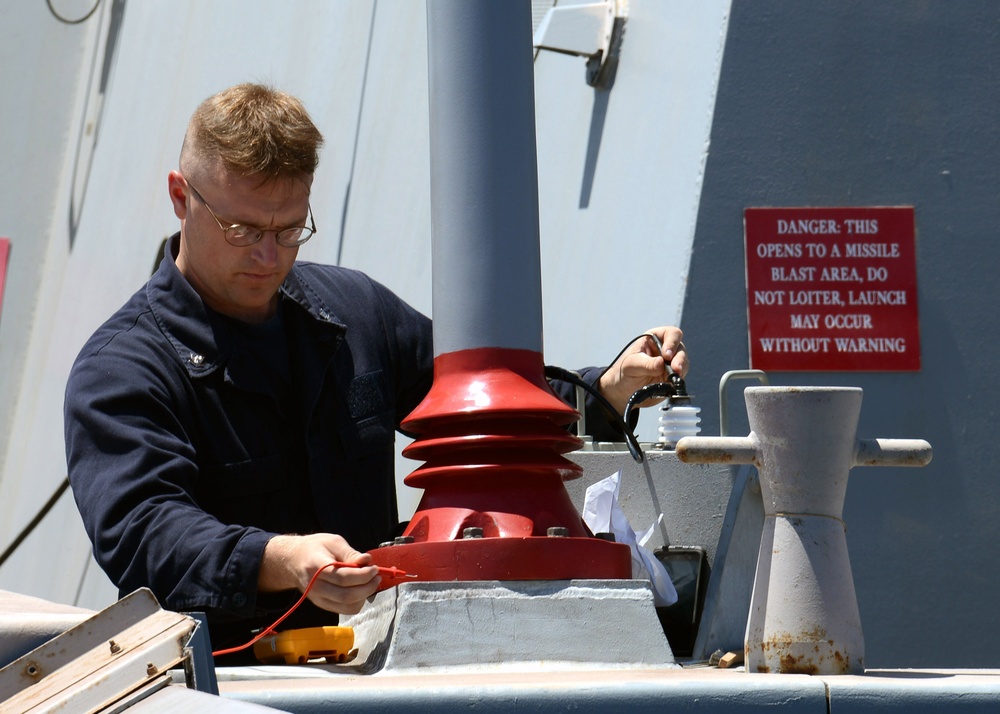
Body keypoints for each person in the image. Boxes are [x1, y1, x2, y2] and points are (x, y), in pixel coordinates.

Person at [64, 83, 689, 658]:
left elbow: (482, 399)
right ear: (180, 196)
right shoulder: (121, 370)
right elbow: (144, 531)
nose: (267, 255)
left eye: (289, 229)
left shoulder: (356, 313)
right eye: (241, 228)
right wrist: (280, 558)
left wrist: (609, 386)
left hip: (378, 667)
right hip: (234, 682)